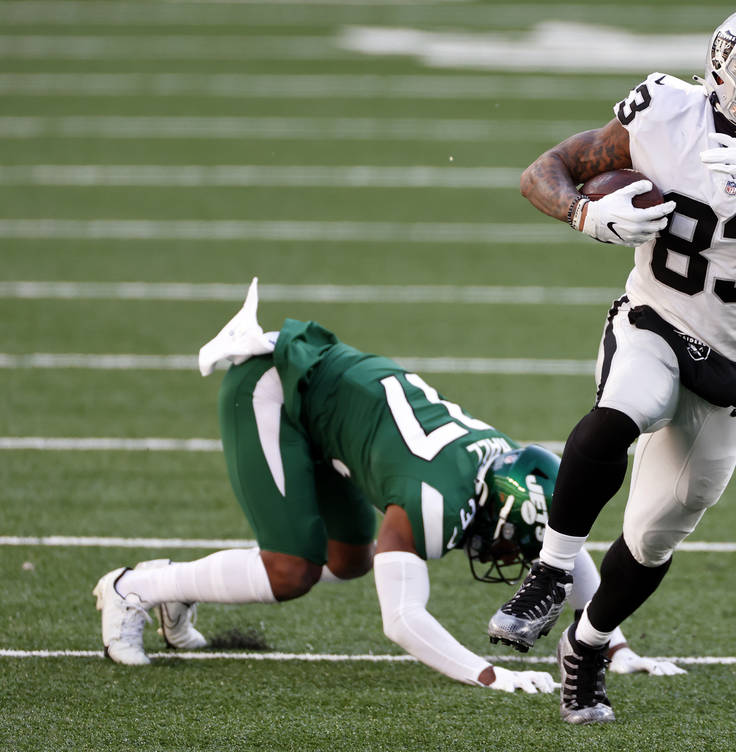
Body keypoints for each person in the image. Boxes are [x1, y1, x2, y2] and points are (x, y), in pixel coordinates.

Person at [487, 6, 736, 723]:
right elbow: (547, 171)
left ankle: (588, 646)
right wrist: (583, 214)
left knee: (655, 535)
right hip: (654, 321)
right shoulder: (665, 112)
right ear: (726, 76)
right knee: (619, 415)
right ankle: (548, 571)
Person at [93, 278, 683, 691]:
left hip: (333, 407)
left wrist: (615, 647)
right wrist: (488, 674)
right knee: (291, 570)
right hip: (274, 389)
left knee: (349, 558)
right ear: (498, 511)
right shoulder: (436, 499)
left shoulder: (500, 470)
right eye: (512, 544)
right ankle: (133, 587)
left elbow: (566, 553)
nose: (508, 555)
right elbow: (401, 619)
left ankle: (179, 589)